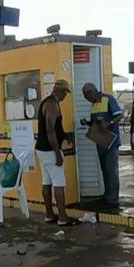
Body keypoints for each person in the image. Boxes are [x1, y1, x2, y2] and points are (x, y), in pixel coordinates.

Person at [35, 79, 79, 226]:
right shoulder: (52, 105)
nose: (66, 96)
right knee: (59, 183)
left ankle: (49, 214)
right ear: (61, 91)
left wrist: (65, 135)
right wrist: (57, 153)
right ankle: (62, 217)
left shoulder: (46, 102)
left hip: (41, 149)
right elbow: (50, 130)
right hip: (49, 151)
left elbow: (54, 129)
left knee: (46, 181)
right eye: (66, 93)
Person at [82, 82, 123, 208]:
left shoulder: (108, 99)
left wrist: (109, 122)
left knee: (111, 170)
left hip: (111, 142)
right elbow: (96, 123)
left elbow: (119, 116)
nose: (87, 100)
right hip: (100, 142)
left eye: (87, 97)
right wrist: (88, 123)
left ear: (92, 92)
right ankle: (107, 194)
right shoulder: (93, 105)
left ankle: (113, 198)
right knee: (104, 170)